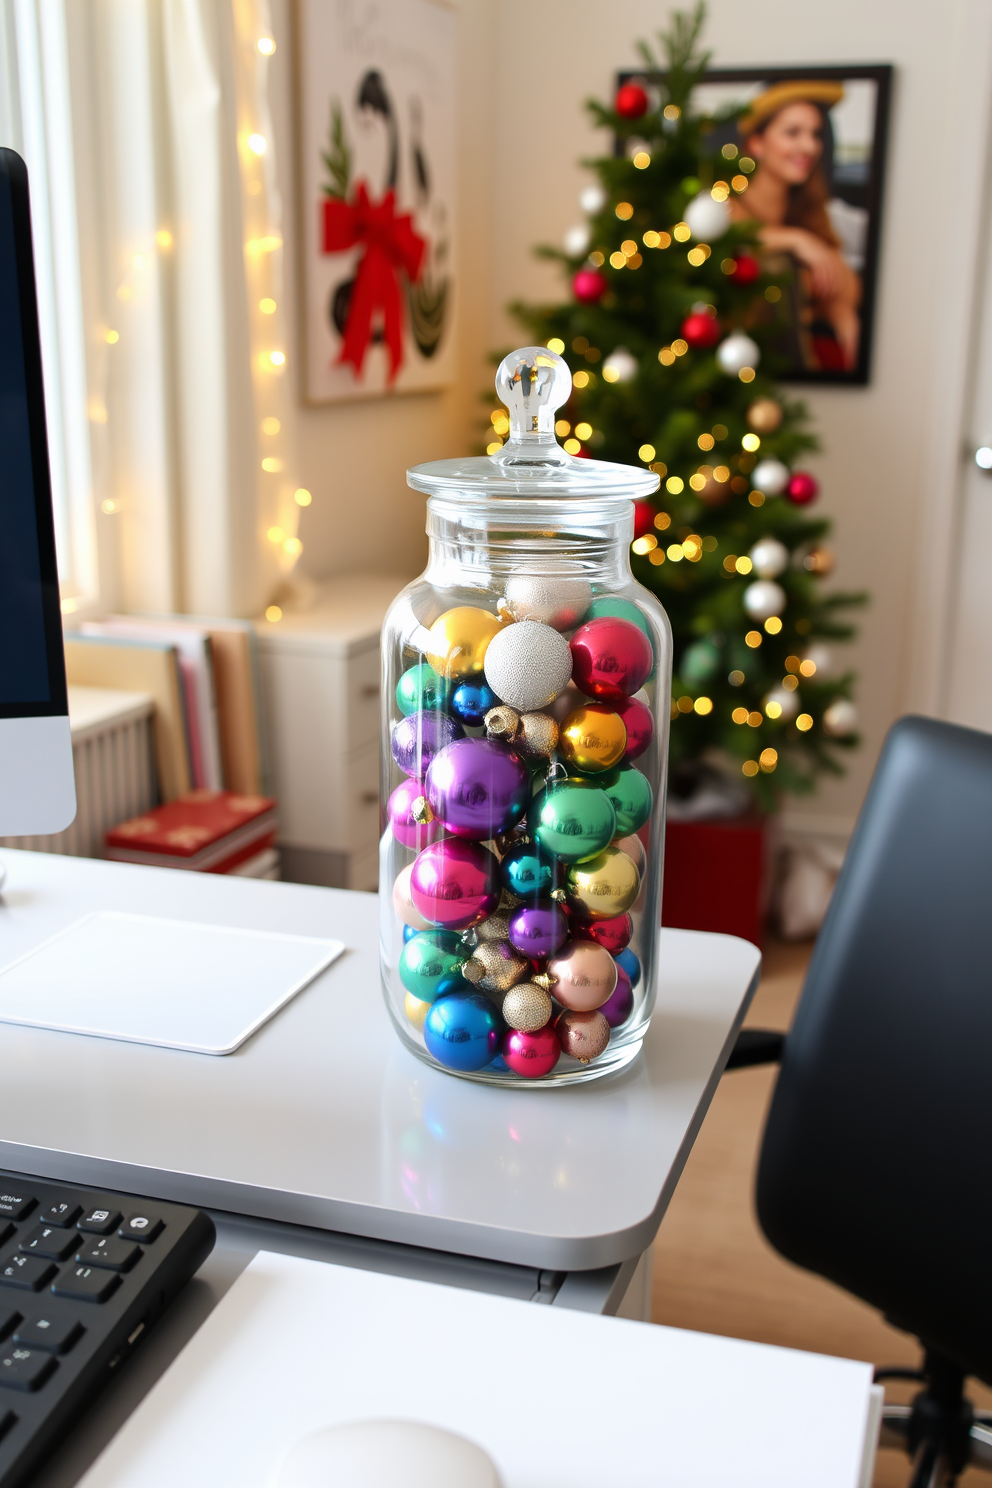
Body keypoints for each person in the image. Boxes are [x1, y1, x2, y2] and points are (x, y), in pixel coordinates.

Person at [730, 81, 861, 372]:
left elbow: (845, 291)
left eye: (815, 134)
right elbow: (726, 236)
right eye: (793, 133)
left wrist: (841, 312)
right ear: (757, 143)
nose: (810, 146)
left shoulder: (812, 209)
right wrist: (795, 240)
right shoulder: (724, 200)